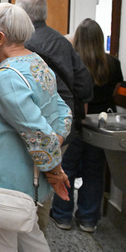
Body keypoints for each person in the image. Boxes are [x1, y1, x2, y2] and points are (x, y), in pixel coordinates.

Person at [0, 3, 72, 251]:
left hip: (6, 180)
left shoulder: (9, 77)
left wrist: (54, 170)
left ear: (0, 37)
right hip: (24, 178)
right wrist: (56, 147)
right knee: (30, 237)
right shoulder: (35, 63)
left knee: (4, 244)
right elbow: (63, 113)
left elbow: (37, 133)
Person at [15, 0, 93, 233]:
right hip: (62, 127)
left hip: (31, 126)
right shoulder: (62, 41)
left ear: (21, 15)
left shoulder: (22, 45)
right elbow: (84, 85)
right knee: (47, 185)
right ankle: (39, 235)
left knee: (26, 185)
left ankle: (26, 237)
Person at [50, 18, 124, 232]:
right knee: (95, 172)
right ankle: (89, 220)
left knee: (67, 169)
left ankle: (63, 216)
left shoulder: (73, 64)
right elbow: (115, 90)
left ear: (78, 39)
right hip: (101, 126)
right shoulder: (112, 63)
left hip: (75, 124)